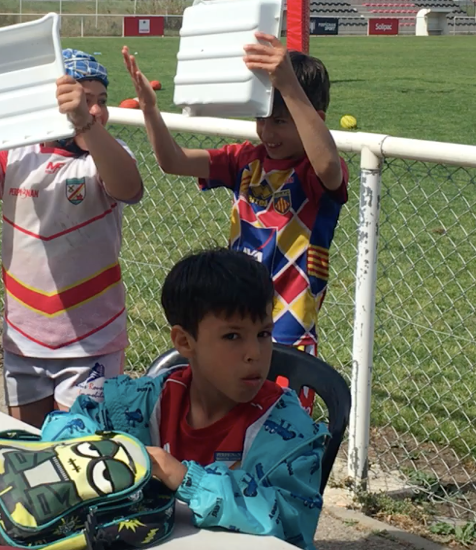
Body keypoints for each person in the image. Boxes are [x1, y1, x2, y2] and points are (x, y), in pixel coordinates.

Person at [122, 35, 348, 411]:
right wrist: (150, 110)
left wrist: (289, 84)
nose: (268, 132)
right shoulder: (245, 159)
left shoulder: (314, 171)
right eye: (262, 118)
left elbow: (328, 166)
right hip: (231, 319)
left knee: (279, 427)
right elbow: (173, 161)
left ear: (313, 118)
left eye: (280, 121)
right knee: (227, 421)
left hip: (287, 327)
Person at [43, 248, 326, 548]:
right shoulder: (147, 401)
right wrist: (115, 451)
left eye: (264, 334)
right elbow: (61, 429)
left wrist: (183, 478)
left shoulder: (289, 432)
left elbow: (288, 521)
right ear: (184, 341)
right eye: (233, 336)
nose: (254, 354)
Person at [0, 49, 144, 427]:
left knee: (79, 454)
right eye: (82, 99)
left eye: (100, 102)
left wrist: (86, 126)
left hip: (91, 343)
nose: (93, 110)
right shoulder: (17, 156)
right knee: (29, 444)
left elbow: (129, 187)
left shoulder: (104, 155)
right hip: (24, 338)